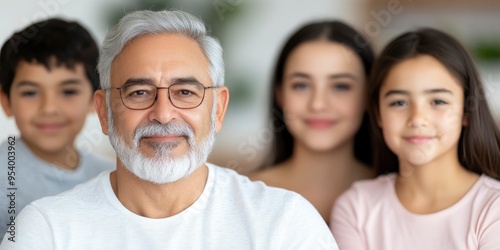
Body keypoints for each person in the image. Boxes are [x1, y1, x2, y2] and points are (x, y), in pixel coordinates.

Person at [0, 10, 338, 249]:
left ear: (217, 108)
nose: (162, 114)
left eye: (186, 92)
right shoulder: (46, 229)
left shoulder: (284, 223)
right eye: (139, 93)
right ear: (104, 112)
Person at [330, 28, 500, 249]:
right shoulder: (356, 207)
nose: (417, 119)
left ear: (467, 111)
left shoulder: (492, 208)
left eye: (438, 101)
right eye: (399, 103)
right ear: (378, 113)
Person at [249, 20, 375, 223]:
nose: (318, 104)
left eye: (341, 86)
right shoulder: (244, 197)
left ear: (369, 96)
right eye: (301, 86)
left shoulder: (399, 194)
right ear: (280, 93)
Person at [0, 18, 114, 236]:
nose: (49, 108)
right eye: (30, 93)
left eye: (68, 91)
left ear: (95, 101)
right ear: (6, 101)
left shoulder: (112, 177)